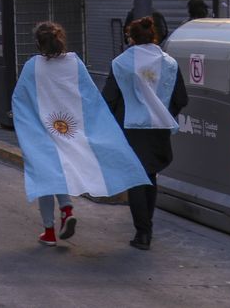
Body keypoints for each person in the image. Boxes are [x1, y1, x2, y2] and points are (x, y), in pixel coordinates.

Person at [11, 21, 149, 247]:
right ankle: (66, 210)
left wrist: (26, 124)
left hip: (43, 132)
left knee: (46, 175)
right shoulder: (75, 63)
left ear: (38, 43)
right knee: (61, 170)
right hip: (72, 130)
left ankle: (50, 231)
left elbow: (20, 98)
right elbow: (90, 97)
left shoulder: (32, 66)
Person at [102, 16, 189, 250]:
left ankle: (143, 232)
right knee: (150, 175)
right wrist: (163, 111)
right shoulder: (169, 63)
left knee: (135, 178)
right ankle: (146, 227)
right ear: (154, 36)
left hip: (130, 128)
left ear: (130, 38)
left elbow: (109, 98)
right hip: (159, 128)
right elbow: (181, 98)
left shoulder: (121, 63)